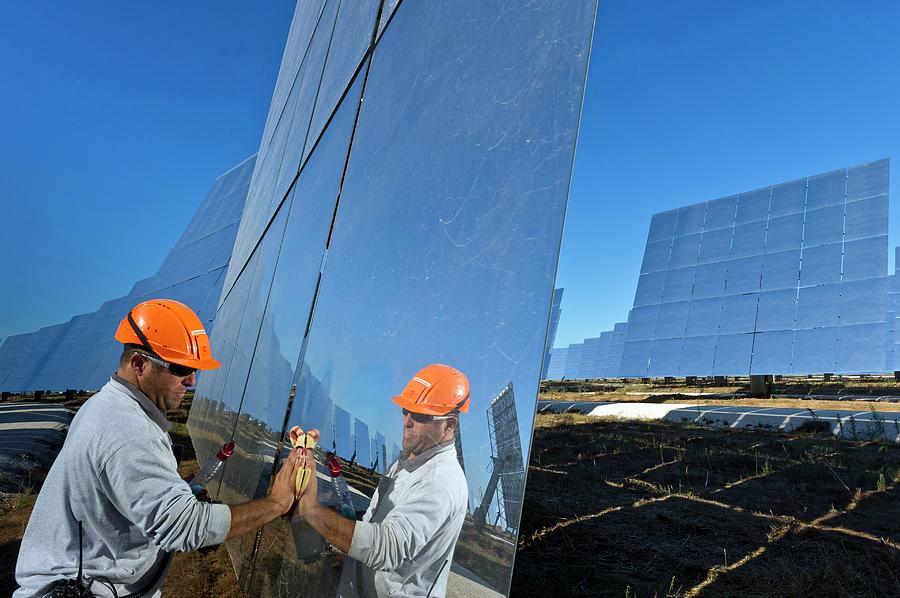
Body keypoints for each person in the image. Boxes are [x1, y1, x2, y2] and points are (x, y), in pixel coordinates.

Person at [14, 299, 303, 598]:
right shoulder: (128, 430)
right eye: (181, 368)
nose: (192, 381)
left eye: (195, 370)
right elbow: (185, 527)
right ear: (139, 364)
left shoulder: (109, 405)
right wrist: (277, 504)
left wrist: (171, 489)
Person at [297, 363, 470, 598]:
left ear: (449, 424)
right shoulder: (410, 458)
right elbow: (377, 520)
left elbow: (387, 546)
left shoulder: (440, 481)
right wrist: (339, 515)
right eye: (405, 411)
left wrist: (312, 511)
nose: (407, 421)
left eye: (419, 415)